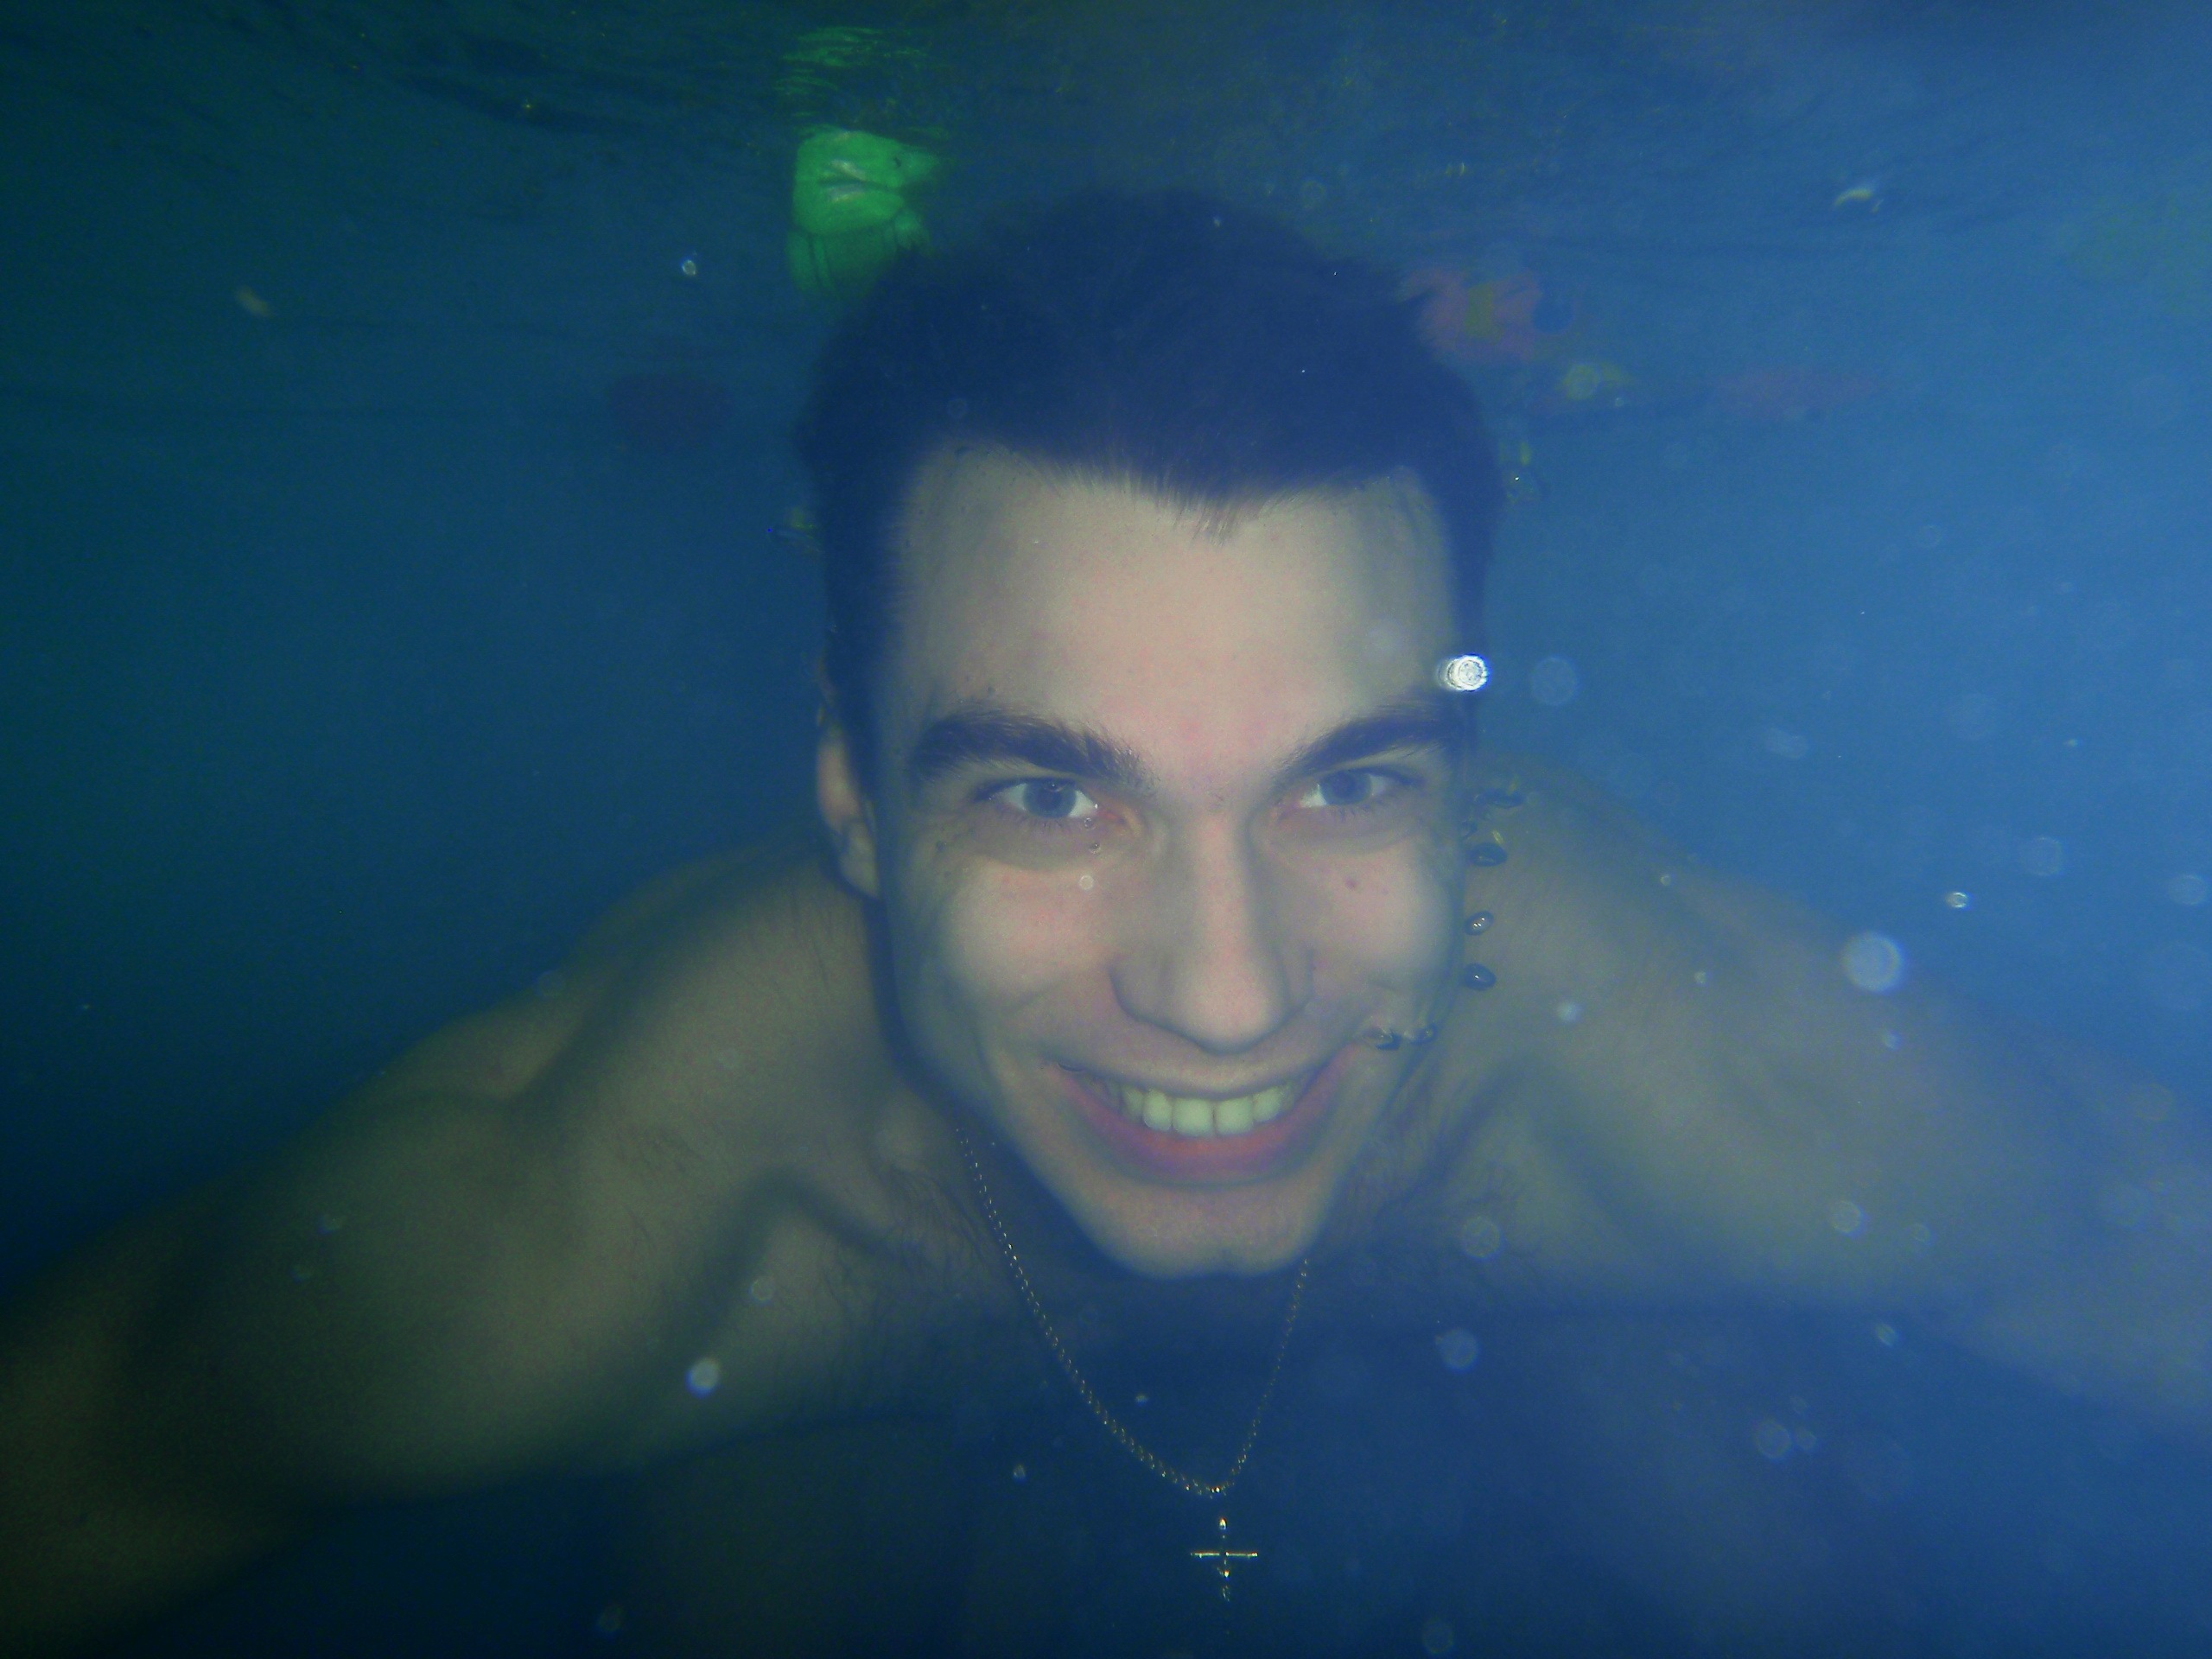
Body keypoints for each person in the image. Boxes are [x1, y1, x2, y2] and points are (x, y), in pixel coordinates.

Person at [2, 192, 2206, 1656]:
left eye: (1345, 780)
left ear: (1461, 777)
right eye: (1049, 795)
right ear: (854, 798)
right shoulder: (563, 1245)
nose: (1223, 995)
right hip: (829, 1370)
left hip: (1557, 1262)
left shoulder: (1729, 1094)